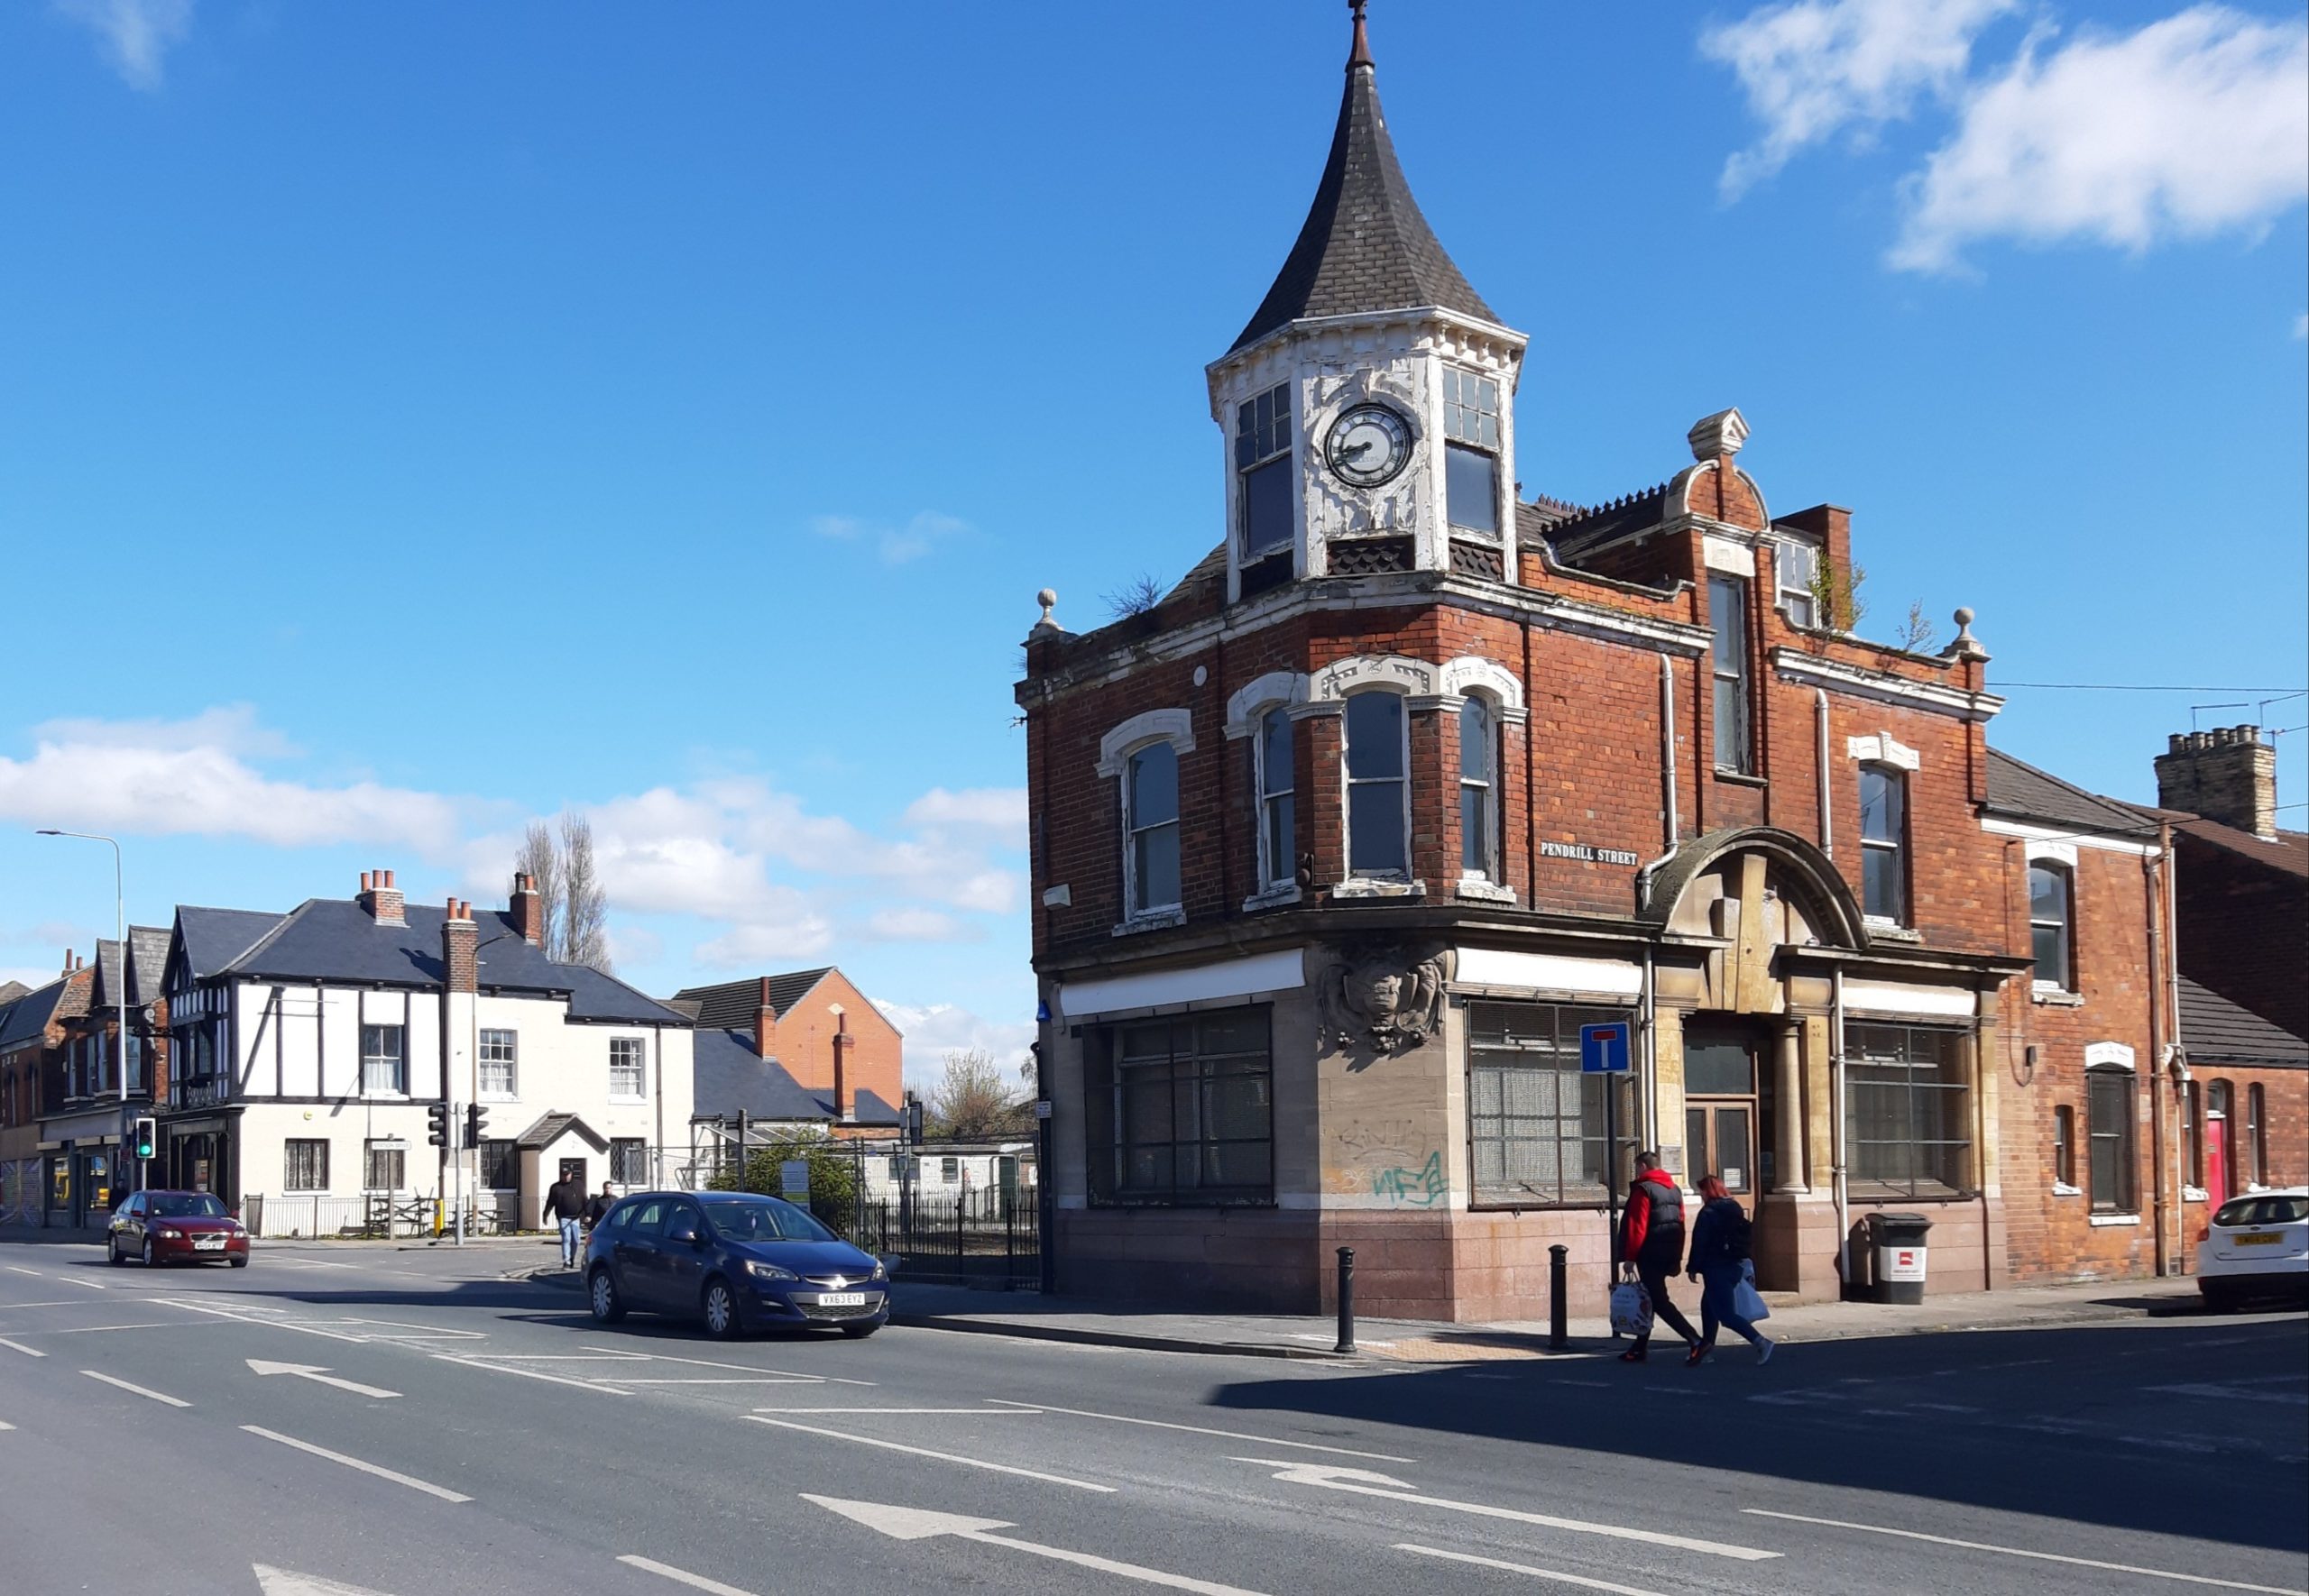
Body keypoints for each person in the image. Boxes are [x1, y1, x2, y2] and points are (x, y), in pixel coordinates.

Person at [1616, 1150, 1701, 1363]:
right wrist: (1677, 1255)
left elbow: (1638, 1226)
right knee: (1651, 1298)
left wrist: (1630, 1257)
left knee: (1659, 1301)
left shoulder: (1644, 1190)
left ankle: (1695, 1340)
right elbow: (1680, 1222)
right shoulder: (1674, 1189)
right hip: (1667, 1251)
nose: (1636, 1172)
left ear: (1643, 1166)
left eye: (1637, 1167)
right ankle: (1638, 1347)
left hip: (1650, 1253)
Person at [1686, 1174, 1775, 1366]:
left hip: (1716, 1266)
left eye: (1701, 1191)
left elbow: (1700, 1242)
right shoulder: (1734, 1208)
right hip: (1734, 1263)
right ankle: (1706, 1348)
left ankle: (1760, 1342)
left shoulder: (1708, 1212)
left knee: (1726, 1314)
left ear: (1706, 1191)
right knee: (1708, 1306)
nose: (1700, 1195)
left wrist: (1693, 1267)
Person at [544, 1171, 585, 1268]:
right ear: (561, 1175)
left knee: (576, 1240)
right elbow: (550, 1202)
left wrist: (587, 1214)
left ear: (571, 1174)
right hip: (563, 1217)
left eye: (568, 1175)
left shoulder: (578, 1185)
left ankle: (572, 1258)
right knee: (566, 1238)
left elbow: (584, 1199)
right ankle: (566, 1261)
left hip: (575, 1218)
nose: (566, 1177)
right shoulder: (556, 1187)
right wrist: (545, 1215)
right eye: (564, 1175)